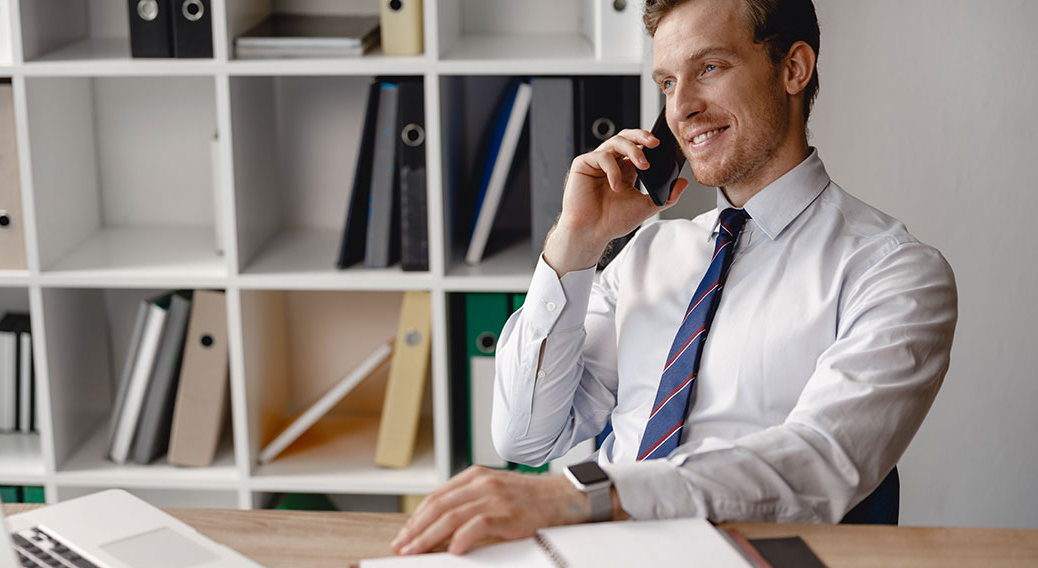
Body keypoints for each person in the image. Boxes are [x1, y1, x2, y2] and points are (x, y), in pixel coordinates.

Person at [391, 0, 958, 556]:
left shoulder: (894, 273)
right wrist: (576, 245)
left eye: (709, 68)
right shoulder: (649, 252)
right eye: (666, 83)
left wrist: (586, 497)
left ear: (793, 68)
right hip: (600, 551)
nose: (680, 108)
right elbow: (526, 436)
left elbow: (819, 465)